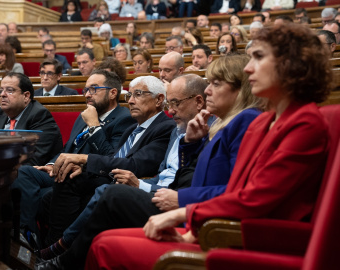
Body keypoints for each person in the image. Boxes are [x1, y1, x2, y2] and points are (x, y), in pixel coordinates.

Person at [85, 22, 331, 270]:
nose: (248, 68)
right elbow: (234, 188)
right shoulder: (265, 121)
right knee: (103, 239)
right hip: (221, 226)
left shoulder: (304, 123)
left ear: (290, 65)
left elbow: (256, 198)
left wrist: (184, 212)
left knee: (104, 246)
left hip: (254, 239)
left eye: (258, 57)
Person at [36, 73, 207, 261]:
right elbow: (158, 170)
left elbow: (139, 166)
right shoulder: (159, 130)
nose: (131, 101)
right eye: (129, 96)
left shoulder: (168, 127)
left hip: (156, 191)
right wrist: (85, 167)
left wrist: (88, 155)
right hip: (133, 181)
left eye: (138, 94)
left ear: (159, 100)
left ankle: (59, 251)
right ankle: (46, 246)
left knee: (106, 191)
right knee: (57, 184)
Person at [11, 69, 135, 247]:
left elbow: (110, 157)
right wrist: (52, 164)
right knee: (23, 173)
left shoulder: (124, 119)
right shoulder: (84, 115)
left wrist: (94, 126)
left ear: (113, 93)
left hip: (82, 176)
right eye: (85, 90)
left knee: (39, 196)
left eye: (93, 89)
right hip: (60, 170)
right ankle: (28, 235)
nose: (87, 94)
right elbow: (68, 148)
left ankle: (42, 246)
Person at [0, 72, 63, 166]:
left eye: (9, 90)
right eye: (1, 90)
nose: (2, 94)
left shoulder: (40, 116)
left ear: (26, 96)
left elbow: (34, 159)